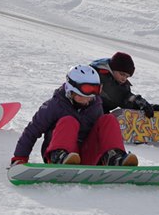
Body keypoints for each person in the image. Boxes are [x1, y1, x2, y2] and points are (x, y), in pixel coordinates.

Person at [10, 65, 138, 166]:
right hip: (59, 154)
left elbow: (100, 132)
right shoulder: (54, 105)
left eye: (92, 96)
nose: (88, 100)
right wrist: (20, 158)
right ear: (70, 91)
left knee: (108, 119)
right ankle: (60, 156)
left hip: (85, 155)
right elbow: (32, 131)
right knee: (69, 121)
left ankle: (114, 157)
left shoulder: (95, 105)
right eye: (83, 95)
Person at [89, 52, 159, 117]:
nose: (124, 79)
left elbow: (127, 101)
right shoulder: (98, 75)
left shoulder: (121, 84)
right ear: (112, 69)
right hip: (85, 115)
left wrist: (149, 107)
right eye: (122, 74)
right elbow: (121, 96)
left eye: (127, 76)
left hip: (99, 115)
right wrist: (137, 101)